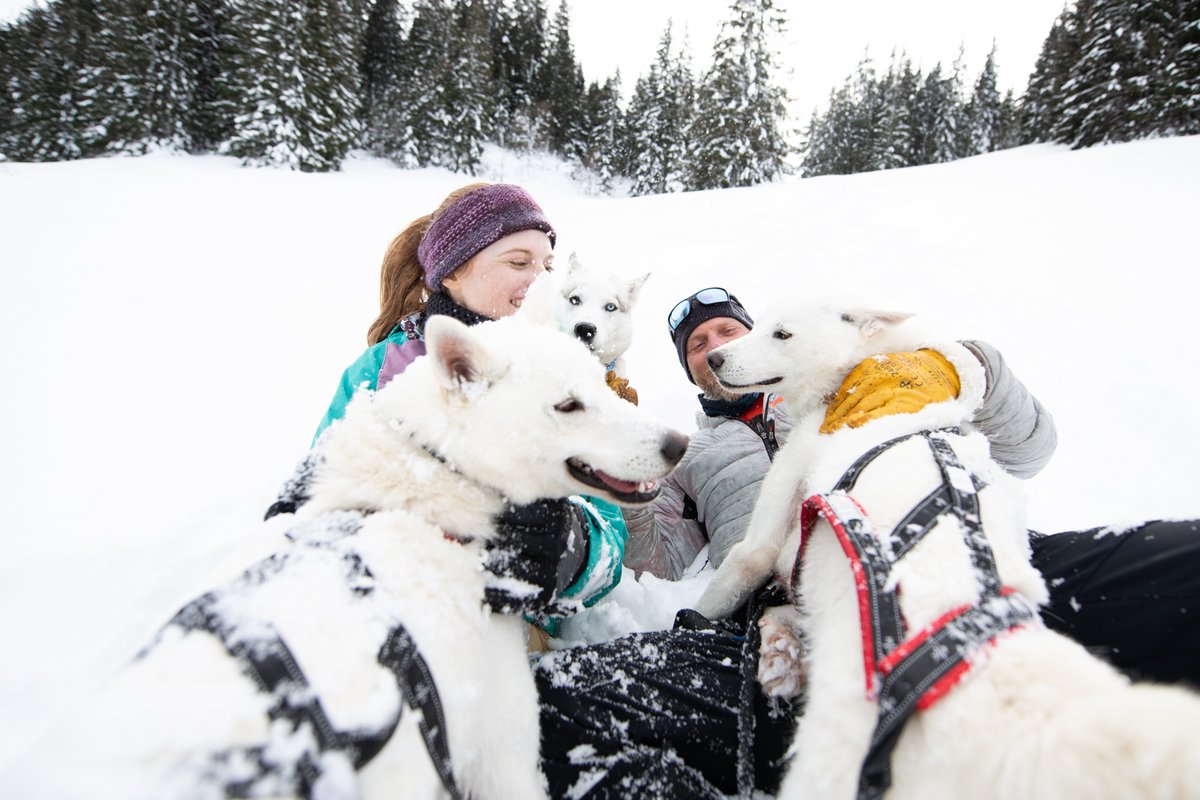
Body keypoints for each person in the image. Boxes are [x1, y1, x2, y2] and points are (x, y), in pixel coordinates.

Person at [624, 286, 1200, 685]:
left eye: (728, 330)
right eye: (697, 345)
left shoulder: (869, 376)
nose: (717, 347)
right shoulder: (690, 453)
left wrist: (971, 367)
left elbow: (1031, 450)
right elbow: (659, 561)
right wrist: (627, 465)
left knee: (1181, 563)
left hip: (970, 554)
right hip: (797, 612)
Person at [305, 182, 629, 630]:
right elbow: (321, 489)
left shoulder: (565, 367)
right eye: (519, 262)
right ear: (453, 272)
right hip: (394, 621)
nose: (542, 279)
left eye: (549, 264)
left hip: (516, 638)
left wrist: (566, 545)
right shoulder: (383, 369)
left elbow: (610, 542)